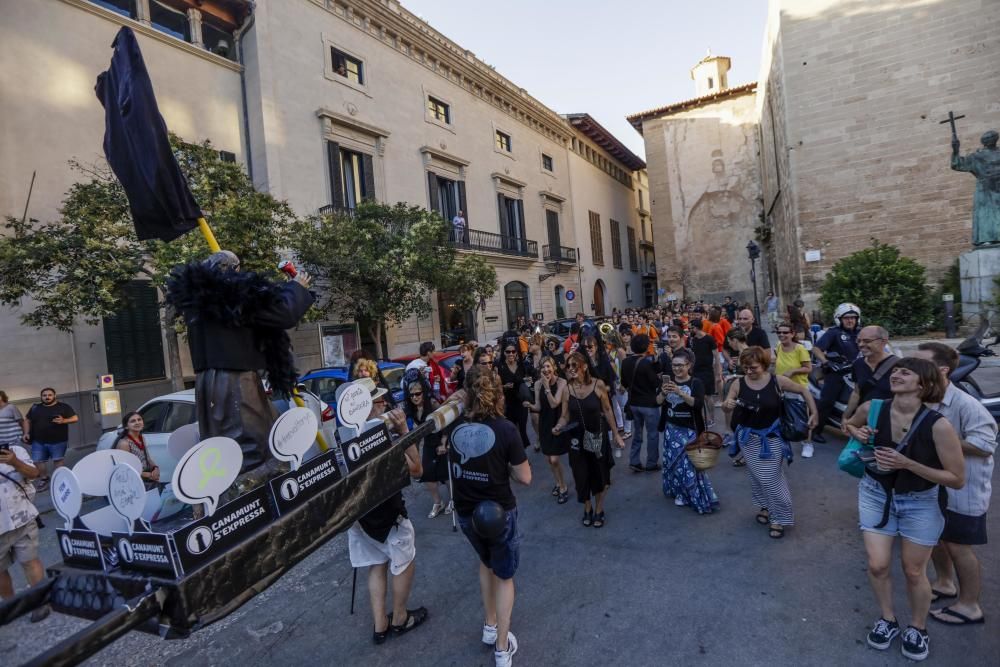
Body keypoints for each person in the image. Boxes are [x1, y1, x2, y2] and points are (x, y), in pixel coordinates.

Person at [844, 358, 965, 661]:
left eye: (905, 372)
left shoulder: (939, 425)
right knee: (878, 565)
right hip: (875, 493)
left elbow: (957, 478)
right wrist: (854, 432)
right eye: (896, 371)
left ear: (922, 384)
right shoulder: (874, 408)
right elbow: (848, 423)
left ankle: (918, 627)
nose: (896, 374)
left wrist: (907, 463)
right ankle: (888, 620)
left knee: (913, 571)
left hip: (920, 501)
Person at [166, 250, 314, 475]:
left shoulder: (199, 299)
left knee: (227, 445)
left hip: (208, 383)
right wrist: (296, 287)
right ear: (231, 270)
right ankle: (256, 498)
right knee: (252, 445)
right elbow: (282, 313)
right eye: (238, 268)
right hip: (235, 379)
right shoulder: (231, 294)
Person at [449, 366, 531, 667]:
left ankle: (489, 625)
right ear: (497, 393)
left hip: (467, 512)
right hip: (499, 512)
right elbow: (525, 477)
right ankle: (501, 649)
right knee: (505, 576)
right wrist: (502, 466)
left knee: (486, 564)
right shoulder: (506, 429)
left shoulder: (455, 426)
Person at [912, 343, 996, 627]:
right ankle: (946, 583)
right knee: (937, 538)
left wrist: (940, 439)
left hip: (965, 490)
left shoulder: (965, 404)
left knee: (959, 546)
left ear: (942, 370)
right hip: (937, 486)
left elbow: (985, 446)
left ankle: (970, 605)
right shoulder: (927, 397)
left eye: (920, 363)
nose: (913, 368)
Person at [346, 378, 428, 644]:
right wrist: (404, 428)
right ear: (368, 408)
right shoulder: (383, 438)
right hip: (389, 515)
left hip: (361, 517)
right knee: (403, 562)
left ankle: (380, 624)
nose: (384, 405)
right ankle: (400, 617)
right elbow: (417, 469)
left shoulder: (345, 437)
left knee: (376, 564)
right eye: (379, 401)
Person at [722, 346, 817, 539]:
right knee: (756, 476)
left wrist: (815, 412)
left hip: (773, 438)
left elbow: (803, 391)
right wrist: (726, 405)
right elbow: (726, 406)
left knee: (770, 478)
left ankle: (779, 517)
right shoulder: (738, 384)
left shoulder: (777, 381)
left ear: (764, 365)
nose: (749, 371)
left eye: (754, 367)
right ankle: (765, 506)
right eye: (746, 367)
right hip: (748, 439)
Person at [553, 351, 626, 528]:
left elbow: (608, 411)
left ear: (584, 367)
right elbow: (564, 415)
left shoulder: (598, 385)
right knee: (581, 476)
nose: (570, 369)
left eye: (574, 366)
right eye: (568, 366)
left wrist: (616, 434)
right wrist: (558, 426)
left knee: (600, 475)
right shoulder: (567, 389)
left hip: (597, 437)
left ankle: (599, 508)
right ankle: (587, 507)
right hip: (576, 441)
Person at [657, 348, 719, 514]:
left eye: (680, 365)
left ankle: (691, 495)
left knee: (688, 465)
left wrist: (679, 392)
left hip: (689, 430)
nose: (676, 369)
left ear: (689, 365)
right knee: (674, 464)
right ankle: (679, 492)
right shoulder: (667, 382)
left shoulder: (695, 383)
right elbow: (657, 402)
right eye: (674, 365)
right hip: (671, 429)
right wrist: (663, 393)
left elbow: (697, 404)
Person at [0, 439, 48, 622]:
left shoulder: (15, 451)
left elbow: (34, 473)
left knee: (30, 561)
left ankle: (40, 602)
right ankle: (11, 606)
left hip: (22, 517)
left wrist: (14, 461)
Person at [811, 303, 861, 444]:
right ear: (839, 319)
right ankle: (816, 430)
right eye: (846, 318)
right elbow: (816, 349)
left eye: (853, 318)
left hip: (858, 371)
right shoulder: (834, 332)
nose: (850, 320)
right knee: (827, 400)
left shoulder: (861, 332)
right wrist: (826, 362)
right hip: (837, 372)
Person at [523, 357, 570, 503]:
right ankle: (557, 482)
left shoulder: (562, 382)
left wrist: (547, 387)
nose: (546, 370)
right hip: (545, 424)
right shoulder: (538, 384)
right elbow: (539, 407)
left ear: (554, 367)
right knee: (549, 460)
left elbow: (555, 403)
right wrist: (529, 405)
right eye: (543, 367)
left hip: (558, 423)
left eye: (548, 366)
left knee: (555, 459)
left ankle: (563, 486)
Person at [404, 374, 451, 518]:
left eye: (418, 394)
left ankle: (453, 500)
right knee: (427, 474)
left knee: (445, 473)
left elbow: (446, 423)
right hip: (429, 443)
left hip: (441, 439)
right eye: (412, 395)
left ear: (423, 393)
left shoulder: (433, 403)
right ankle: (438, 502)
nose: (415, 397)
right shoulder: (412, 409)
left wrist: (444, 443)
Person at [23, 387, 77, 491]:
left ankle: (60, 480)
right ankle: (44, 478)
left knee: (58, 461)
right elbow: (27, 420)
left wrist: (64, 420)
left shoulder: (63, 407)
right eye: (44, 395)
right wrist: (26, 433)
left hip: (58, 441)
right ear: (41, 397)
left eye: (49, 395)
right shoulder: (35, 407)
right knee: (37, 461)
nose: (47, 397)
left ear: (54, 396)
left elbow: (75, 418)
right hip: (38, 441)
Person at [621, 334, 661, 473]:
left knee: (637, 433)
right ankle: (651, 463)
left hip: (633, 403)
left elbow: (624, 383)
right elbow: (655, 383)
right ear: (645, 347)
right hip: (649, 403)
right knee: (652, 434)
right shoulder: (646, 363)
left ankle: (634, 460)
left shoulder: (625, 362)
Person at [843, 325, 898, 424]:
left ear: (883, 341)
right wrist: (846, 417)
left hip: (889, 421)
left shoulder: (898, 366)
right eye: (858, 341)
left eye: (867, 341)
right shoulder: (858, 364)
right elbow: (856, 393)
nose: (861, 345)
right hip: (863, 420)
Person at [774, 322, 814, 457]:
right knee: (783, 415)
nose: (781, 335)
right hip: (781, 388)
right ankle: (784, 441)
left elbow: (809, 368)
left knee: (803, 417)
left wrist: (793, 371)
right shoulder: (779, 346)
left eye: (785, 332)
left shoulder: (799, 349)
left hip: (799, 388)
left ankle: (807, 444)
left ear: (792, 334)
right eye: (779, 332)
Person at [688, 318, 722, 426]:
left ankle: (711, 418)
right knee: (698, 396)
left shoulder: (709, 339)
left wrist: (718, 372)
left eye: (691, 327)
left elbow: (716, 356)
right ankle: (701, 418)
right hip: (695, 371)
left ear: (696, 328)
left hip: (707, 371)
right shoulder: (693, 339)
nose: (690, 329)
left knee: (708, 396)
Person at [497, 342, 530, 451]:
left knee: (522, 430)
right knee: (511, 431)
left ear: (516, 353)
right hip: (507, 404)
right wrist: (504, 386)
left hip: (521, 403)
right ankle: (516, 456)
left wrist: (528, 381)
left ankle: (523, 456)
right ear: (504, 353)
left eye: (513, 351)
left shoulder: (522, 365)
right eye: (508, 351)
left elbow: (530, 379)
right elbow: (495, 385)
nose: (511, 354)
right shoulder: (500, 367)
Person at [114, 411, 160, 489]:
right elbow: (126, 469)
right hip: (133, 482)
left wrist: (156, 468)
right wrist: (148, 475)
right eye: (133, 421)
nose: (137, 422)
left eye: (139, 420)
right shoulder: (124, 443)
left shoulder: (142, 438)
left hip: (145, 478)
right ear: (126, 426)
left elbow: (147, 458)